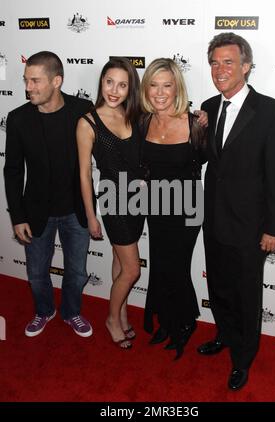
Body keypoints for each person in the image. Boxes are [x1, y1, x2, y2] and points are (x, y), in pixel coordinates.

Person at [197, 33, 275, 390]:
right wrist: (197, 133)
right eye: (214, 62)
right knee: (220, 286)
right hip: (215, 220)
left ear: (246, 66)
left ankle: (243, 357)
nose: (219, 69)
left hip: (252, 227)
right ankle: (224, 334)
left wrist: (274, 228)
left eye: (228, 62)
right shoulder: (207, 107)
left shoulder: (271, 111)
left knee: (246, 293)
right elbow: (205, 160)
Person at [4, 51, 94, 338]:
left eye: (35, 80)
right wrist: (17, 216)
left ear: (57, 81)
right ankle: (44, 311)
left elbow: (118, 130)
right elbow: (13, 171)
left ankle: (71, 312)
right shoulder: (18, 119)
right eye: (25, 80)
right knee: (37, 274)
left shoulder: (83, 109)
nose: (28, 87)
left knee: (77, 273)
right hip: (36, 212)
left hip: (76, 211)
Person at [139, 58, 207, 359]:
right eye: (154, 85)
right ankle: (167, 320)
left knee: (177, 267)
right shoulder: (143, 122)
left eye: (167, 85)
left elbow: (212, 163)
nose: (160, 92)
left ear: (177, 87)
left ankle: (185, 322)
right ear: (146, 88)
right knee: (160, 265)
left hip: (188, 207)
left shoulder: (195, 124)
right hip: (156, 206)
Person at [76, 58, 144, 349]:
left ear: (130, 89)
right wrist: (91, 216)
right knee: (133, 270)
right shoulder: (88, 122)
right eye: (109, 82)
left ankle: (124, 315)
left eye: (122, 84)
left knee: (119, 262)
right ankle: (112, 319)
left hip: (138, 201)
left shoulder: (136, 116)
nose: (114, 90)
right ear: (101, 82)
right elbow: (84, 175)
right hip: (113, 201)